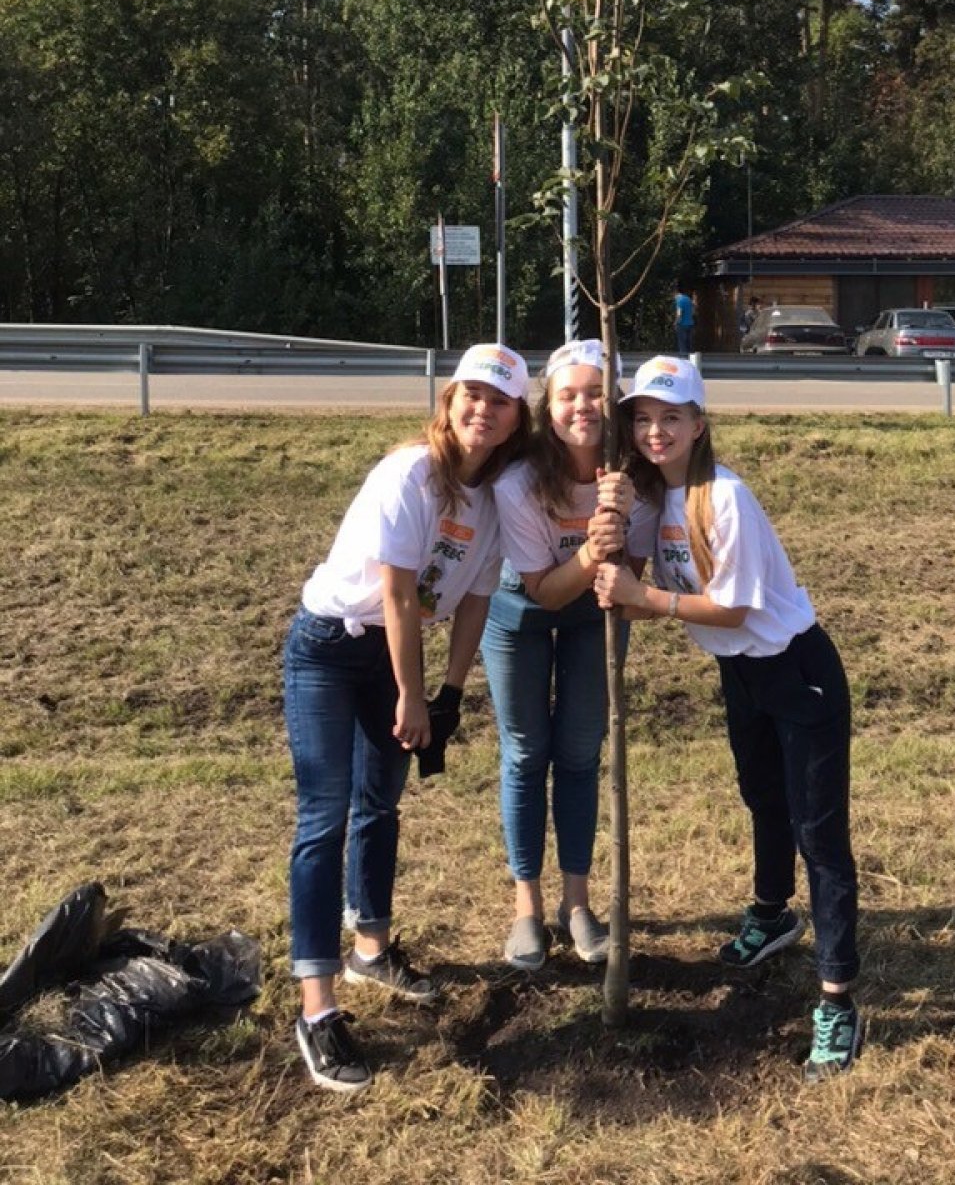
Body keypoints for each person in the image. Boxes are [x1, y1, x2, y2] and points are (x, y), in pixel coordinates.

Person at [594, 355, 862, 1081]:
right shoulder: (654, 496)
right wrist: (613, 521)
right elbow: (633, 575)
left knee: (819, 834)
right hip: (739, 672)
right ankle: (772, 915)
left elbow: (734, 606)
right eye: (643, 419)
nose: (656, 431)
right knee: (762, 800)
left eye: (671, 418)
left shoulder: (727, 496)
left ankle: (837, 999)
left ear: (699, 424)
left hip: (794, 669)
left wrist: (644, 600)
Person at [283, 343, 531, 1092]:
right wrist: (413, 696)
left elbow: (478, 598)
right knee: (325, 817)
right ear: (450, 401)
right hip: (333, 646)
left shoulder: (493, 500)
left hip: (396, 660)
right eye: (471, 396)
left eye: (500, 400)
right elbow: (396, 598)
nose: (482, 410)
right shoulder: (409, 475)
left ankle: (371, 949)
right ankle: (317, 1008)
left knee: (380, 806)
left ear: (518, 417)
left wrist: (450, 693)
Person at [482, 340, 652, 970]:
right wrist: (589, 548)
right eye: (567, 394)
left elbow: (630, 580)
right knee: (526, 754)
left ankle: (576, 903)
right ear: (548, 406)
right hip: (523, 615)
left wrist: (624, 526)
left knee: (579, 753)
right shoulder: (520, 480)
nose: (582, 405)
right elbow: (544, 592)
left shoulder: (636, 475)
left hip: (595, 617)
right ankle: (526, 907)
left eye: (595, 392)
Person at [674, 285, 696, 355]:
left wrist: (676, 322)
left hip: (682, 325)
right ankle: (691, 360)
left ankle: (684, 359)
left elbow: (679, 314)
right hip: (690, 324)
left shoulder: (679, 301)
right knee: (689, 344)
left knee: (682, 343)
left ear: (675, 293)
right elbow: (693, 311)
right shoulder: (688, 299)